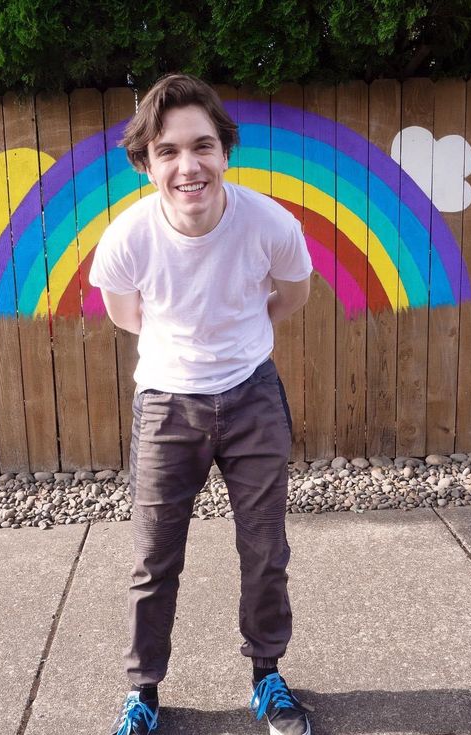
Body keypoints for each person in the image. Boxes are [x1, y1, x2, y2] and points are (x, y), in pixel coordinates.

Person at [88, 73, 313, 735]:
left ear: (224, 152)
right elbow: (127, 315)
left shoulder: (269, 224)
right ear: (146, 164)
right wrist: (187, 349)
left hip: (253, 399)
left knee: (265, 548)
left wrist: (239, 334)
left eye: (203, 146)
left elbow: (292, 296)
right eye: (168, 151)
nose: (189, 165)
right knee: (154, 559)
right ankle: (143, 693)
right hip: (166, 406)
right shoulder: (126, 240)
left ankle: (267, 675)